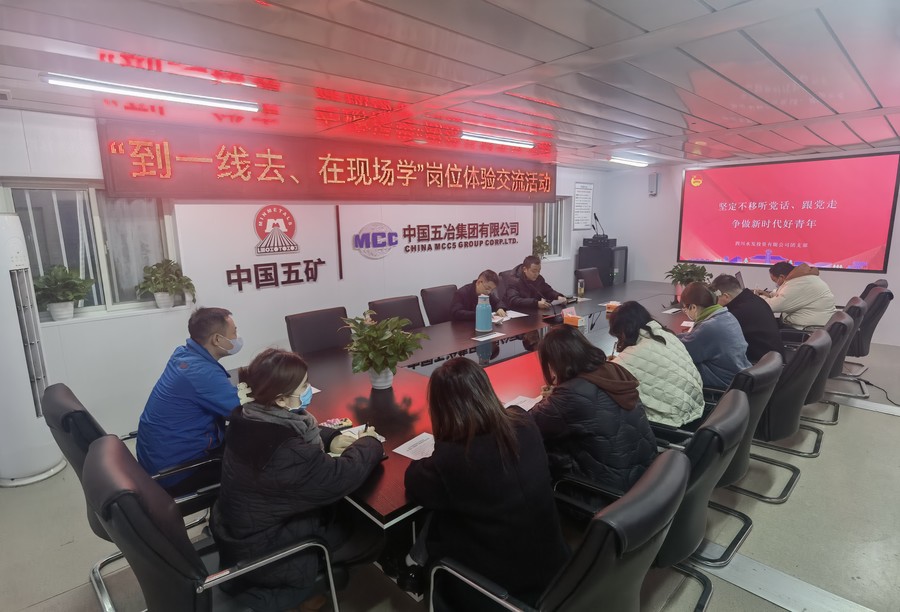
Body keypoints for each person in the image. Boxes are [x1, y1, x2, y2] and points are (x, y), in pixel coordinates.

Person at [211, 348, 384, 609]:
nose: (308, 390)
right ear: (281, 400)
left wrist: (331, 437)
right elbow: (339, 477)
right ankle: (306, 594)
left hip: (243, 534)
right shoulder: (287, 453)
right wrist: (370, 442)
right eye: (303, 386)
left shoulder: (246, 415)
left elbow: (289, 433)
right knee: (372, 532)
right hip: (271, 553)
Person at [404, 358, 568, 605]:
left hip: (502, 585)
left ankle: (411, 566)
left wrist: (442, 445)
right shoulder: (523, 421)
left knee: (438, 516)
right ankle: (414, 562)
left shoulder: (454, 458)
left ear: (440, 407)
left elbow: (414, 481)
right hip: (555, 564)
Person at [530, 325, 657, 494]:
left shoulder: (572, 393)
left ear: (554, 362)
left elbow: (530, 423)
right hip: (647, 477)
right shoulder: (614, 370)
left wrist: (550, 398)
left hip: (607, 493)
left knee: (530, 452)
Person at [137, 307, 249, 493]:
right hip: (178, 472)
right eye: (234, 332)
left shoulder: (183, 354)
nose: (237, 337)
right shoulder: (202, 373)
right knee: (257, 462)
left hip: (157, 460)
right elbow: (246, 412)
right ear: (217, 339)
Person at [607, 301, 705, 428]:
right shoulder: (667, 335)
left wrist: (614, 362)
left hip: (673, 423)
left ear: (623, 331)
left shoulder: (631, 355)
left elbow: (608, 375)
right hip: (697, 409)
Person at [678, 282, 752, 390]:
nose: (685, 312)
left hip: (723, 387)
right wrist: (675, 336)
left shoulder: (709, 327)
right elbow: (693, 338)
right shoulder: (727, 316)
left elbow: (682, 352)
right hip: (738, 377)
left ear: (693, 307)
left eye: (685, 309)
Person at [710, 274, 785, 362]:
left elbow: (715, 336)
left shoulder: (738, 312)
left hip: (759, 363)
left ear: (726, 296)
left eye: (716, 299)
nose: (716, 303)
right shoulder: (754, 299)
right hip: (773, 360)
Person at [755, 262, 836, 329]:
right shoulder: (802, 279)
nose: (776, 284)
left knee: (763, 329)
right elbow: (785, 294)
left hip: (806, 331)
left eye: (775, 280)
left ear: (781, 277)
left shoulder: (800, 283)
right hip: (809, 327)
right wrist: (769, 295)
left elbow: (773, 306)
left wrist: (757, 297)